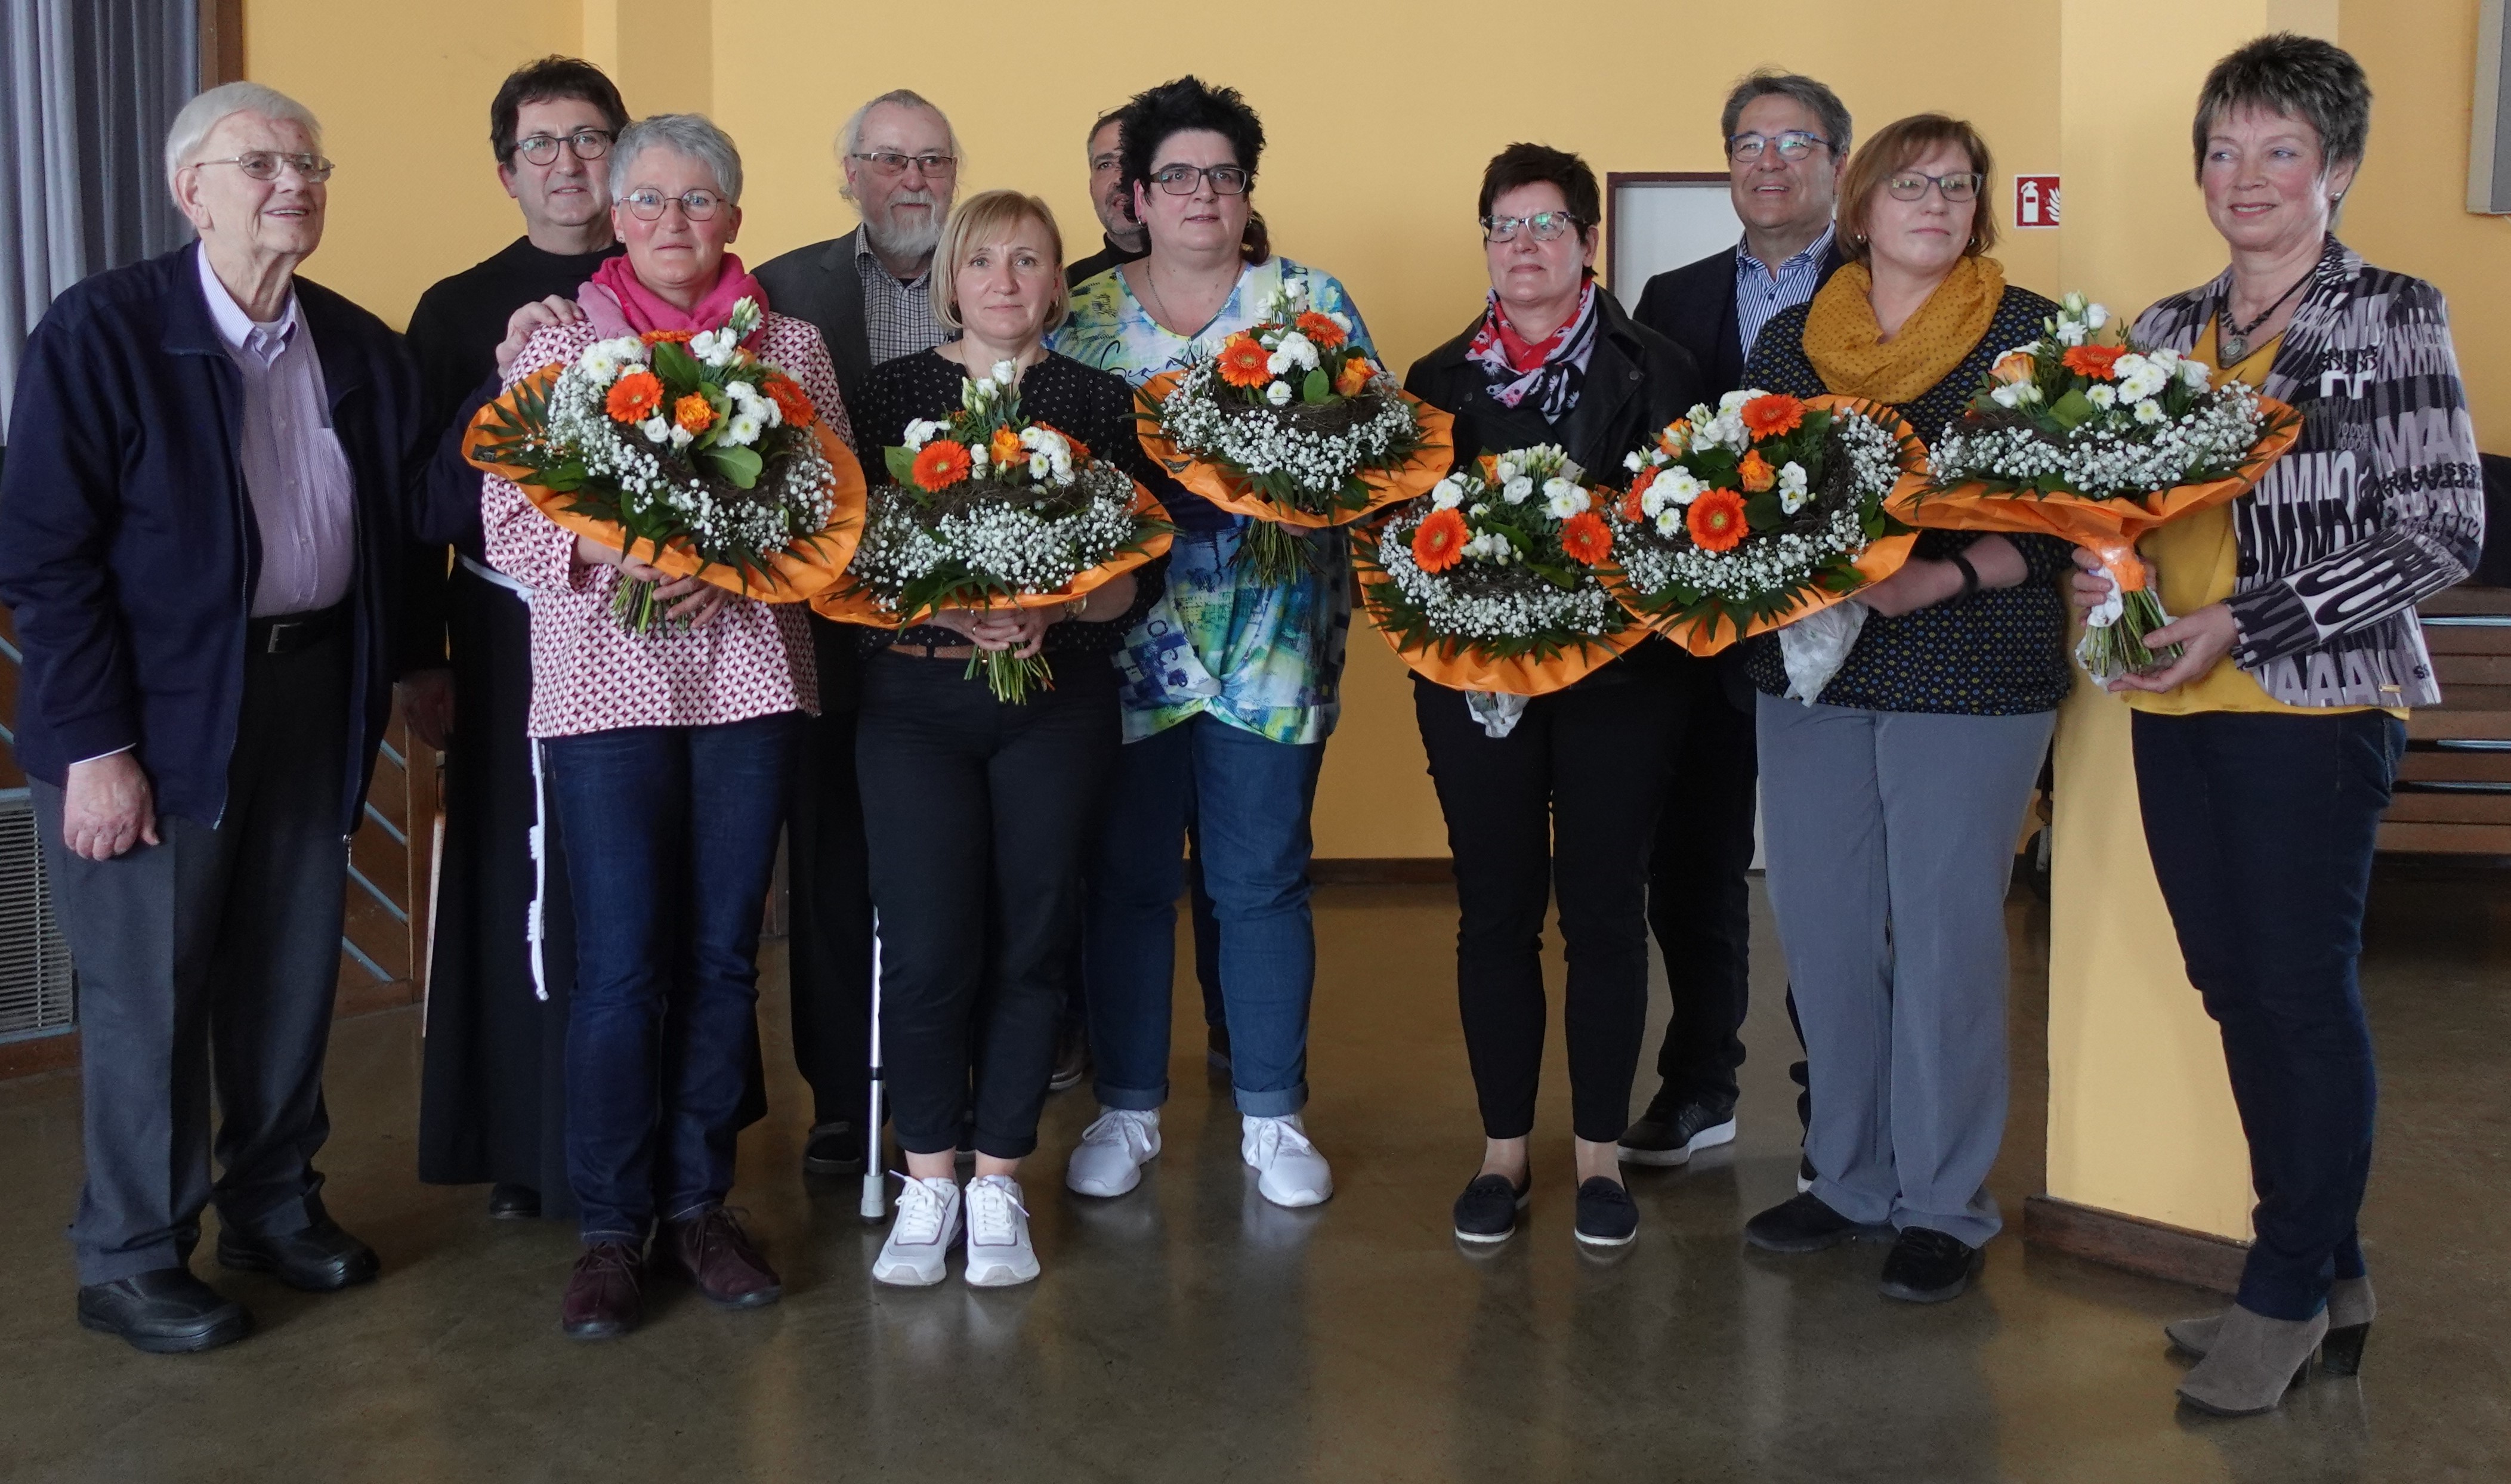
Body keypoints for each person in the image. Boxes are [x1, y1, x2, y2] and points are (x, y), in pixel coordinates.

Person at [2066, 35, 2482, 1416]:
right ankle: (2330, 1267)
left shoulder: (2390, 313)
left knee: (2297, 996)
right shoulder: (2157, 330)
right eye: (2224, 150)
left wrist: (2248, 621)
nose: (2243, 178)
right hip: (2169, 703)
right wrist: (2100, 577)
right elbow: (2118, 514)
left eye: (2279, 151)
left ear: (2337, 169)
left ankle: (2284, 1291)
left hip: (2311, 705)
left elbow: (2443, 530)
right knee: (2232, 984)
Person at [0, 82, 429, 1353]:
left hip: (312, 691)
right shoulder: (102, 332)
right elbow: (46, 561)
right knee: (152, 988)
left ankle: (270, 1207)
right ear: (191, 190)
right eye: (260, 164)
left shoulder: (355, 343)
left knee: (292, 973)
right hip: (160, 707)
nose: (292, 183)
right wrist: (93, 749)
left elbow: (419, 509)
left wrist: (540, 390)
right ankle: (131, 1253)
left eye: (310, 162)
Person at [481, 113, 848, 1339]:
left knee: (722, 958)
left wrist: (733, 561)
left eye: (700, 201)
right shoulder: (553, 343)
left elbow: (829, 503)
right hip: (601, 690)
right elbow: (513, 526)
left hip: (748, 687)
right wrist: (633, 543)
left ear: (735, 220)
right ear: (615, 216)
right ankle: (607, 1226)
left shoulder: (787, 342)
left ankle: (701, 1203)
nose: (673, 221)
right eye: (649, 200)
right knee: (622, 965)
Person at [1734, 114, 2069, 1305]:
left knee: (1940, 941)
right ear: (1861, 207)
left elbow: (2078, 518)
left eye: (1957, 185)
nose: (1935, 200)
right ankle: (1846, 1175)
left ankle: (1942, 1202)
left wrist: (1942, 571)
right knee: (1824, 929)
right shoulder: (1790, 339)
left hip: (1971, 660)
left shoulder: (2031, 336)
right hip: (1815, 668)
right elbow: (1754, 496)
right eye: (1910, 182)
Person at [1052, 76, 1370, 1209]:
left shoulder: (1308, 304)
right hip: (1124, 645)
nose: (1201, 194)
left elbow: (1368, 458)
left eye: (1222, 175)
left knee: (1260, 879)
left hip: (1274, 645)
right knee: (1130, 881)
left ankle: (1273, 1116)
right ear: (1134, 195)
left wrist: (1279, 493)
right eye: (1176, 175)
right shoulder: (1081, 317)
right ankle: (1128, 1108)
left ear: (1245, 195)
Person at [855, 191, 1166, 1287]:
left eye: (1026, 259)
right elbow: (847, 559)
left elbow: (1136, 571)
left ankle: (997, 1180)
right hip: (912, 710)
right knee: (933, 946)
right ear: (949, 277)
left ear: (1053, 283)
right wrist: (944, 608)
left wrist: (1056, 608)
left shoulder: (1094, 399)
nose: (1002, 279)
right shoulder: (889, 395)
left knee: (1034, 939)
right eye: (979, 258)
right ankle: (926, 1177)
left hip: (1053, 702)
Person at [1403, 144, 1704, 1248]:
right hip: (1472, 680)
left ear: (1587, 241)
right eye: (1502, 226)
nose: (1521, 246)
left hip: (1620, 683)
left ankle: (1597, 1159)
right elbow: (1402, 544)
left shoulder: (1662, 368)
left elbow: (1682, 536)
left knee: (1602, 912)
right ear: (1483, 243)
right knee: (1492, 911)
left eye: (1544, 225)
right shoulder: (1436, 381)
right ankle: (1499, 1152)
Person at [405, 55, 629, 1226]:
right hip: (504, 632)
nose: (568, 164)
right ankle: (518, 1140)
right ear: (505, 170)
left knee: (638, 883)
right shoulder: (453, 307)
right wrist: (422, 653)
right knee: (513, 877)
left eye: (590, 139)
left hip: (651, 627)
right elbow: (415, 503)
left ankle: (646, 1140)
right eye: (541, 145)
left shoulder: (661, 284)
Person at [1620, 71, 1852, 1174]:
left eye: (1793, 141)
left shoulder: (1879, 282)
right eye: (1747, 143)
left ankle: (1835, 1108)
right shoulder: (1667, 295)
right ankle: (1699, 1081)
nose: (1768, 161)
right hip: (1699, 641)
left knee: (1831, 878)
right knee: (1695, 865)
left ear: (1834, 165)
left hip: (1848, 633)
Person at [753, 88, 962, 1180]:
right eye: (889, 160)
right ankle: (842, 1100)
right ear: (848, 174)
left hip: (967, 632)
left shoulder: (999, 276)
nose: (913, 180)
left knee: (950, 873)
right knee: (834, 874)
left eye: (931, 160)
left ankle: (949, 1088)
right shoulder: (783, 290)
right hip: (827, 635)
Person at [1065, 109, 1149, 288]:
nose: (1120, 177)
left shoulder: (1212, 273)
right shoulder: (1069, 289)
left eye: (1131, 160)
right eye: (1105, 165)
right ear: (1091, 188)